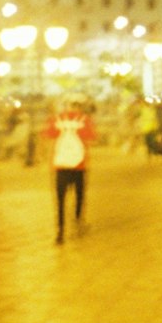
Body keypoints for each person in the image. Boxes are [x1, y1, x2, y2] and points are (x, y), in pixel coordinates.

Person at [43, 98, 96, 243]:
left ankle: (60, 231)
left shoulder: (57, 119)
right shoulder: (85, 119)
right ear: (79, 107)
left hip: (61, 166)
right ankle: (78, 222)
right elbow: (92, 137)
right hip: (79, 166)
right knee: (79, 196)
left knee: (60, 200)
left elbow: (48, 136)